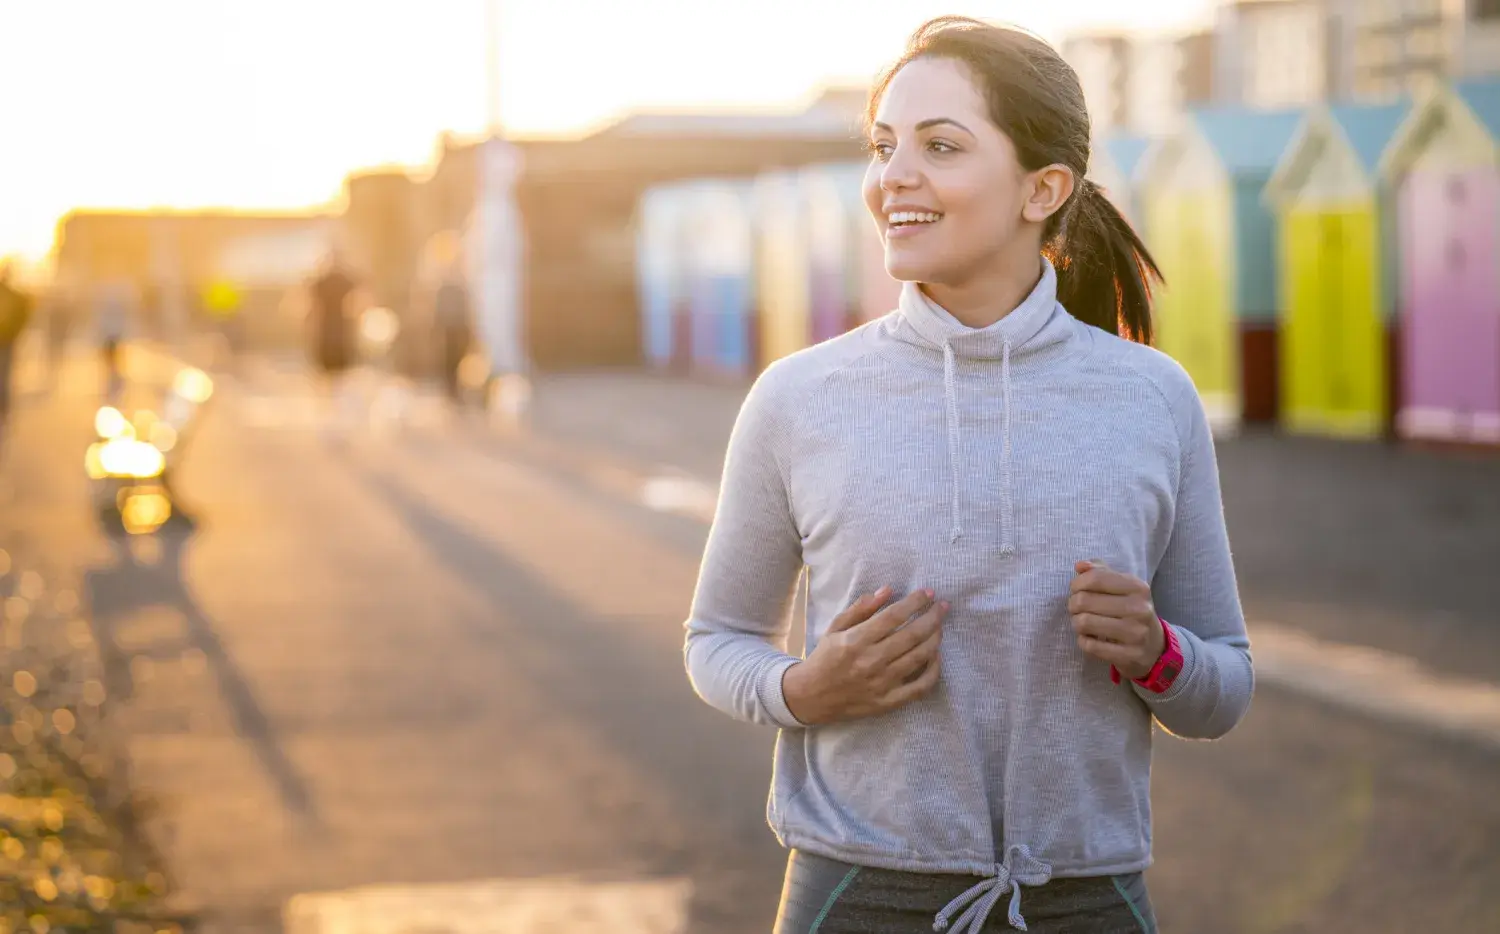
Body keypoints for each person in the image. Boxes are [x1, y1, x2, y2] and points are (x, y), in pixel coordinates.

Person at [683, 17, 1253, 934]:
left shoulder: (1153, 399)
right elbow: (717, 639)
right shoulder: (798, 398)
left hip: (1089, 900)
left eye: (940, 146)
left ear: (1043, 189)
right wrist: (804, 691)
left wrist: (1158, 652)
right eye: (884, 147)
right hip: (856, 896)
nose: (893, 177)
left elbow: (1224, 687)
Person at [306, 251, 361, 433]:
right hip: (339, 329)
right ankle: (335, 409)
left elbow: (308, 307)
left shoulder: (322, 280)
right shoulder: (343, 280)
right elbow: (359, 302)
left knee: (328, 375)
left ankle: (329, 409)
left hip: (328, 330)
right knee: (336, 375)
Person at [0, 259, 34, 460]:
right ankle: (4, 410)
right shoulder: (14, 295)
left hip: (7, 340)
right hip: (8, 340)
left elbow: (23, 314)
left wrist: (15, 333)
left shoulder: (14, 295)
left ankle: (4, 410)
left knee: (4, 377)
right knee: (4, 376)